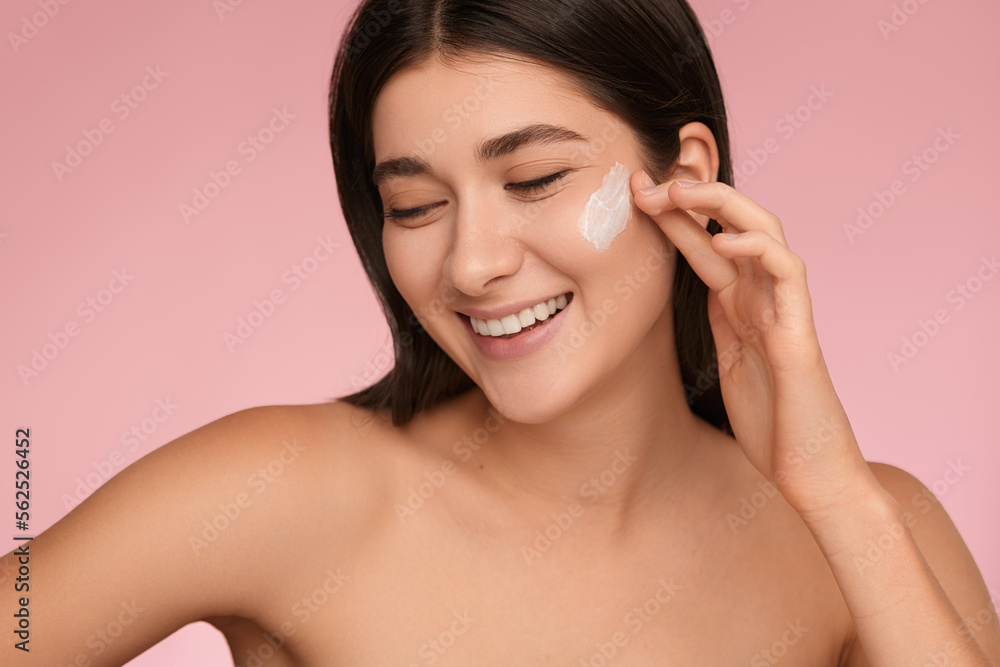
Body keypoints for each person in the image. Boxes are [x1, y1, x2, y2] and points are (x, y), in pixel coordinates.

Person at [3, 0, 998, 664]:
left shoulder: (869, 535)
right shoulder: (282, 492)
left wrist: (836, 496)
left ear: (687, 174)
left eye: (532, 180)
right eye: (416, 205)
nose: (471, 263)